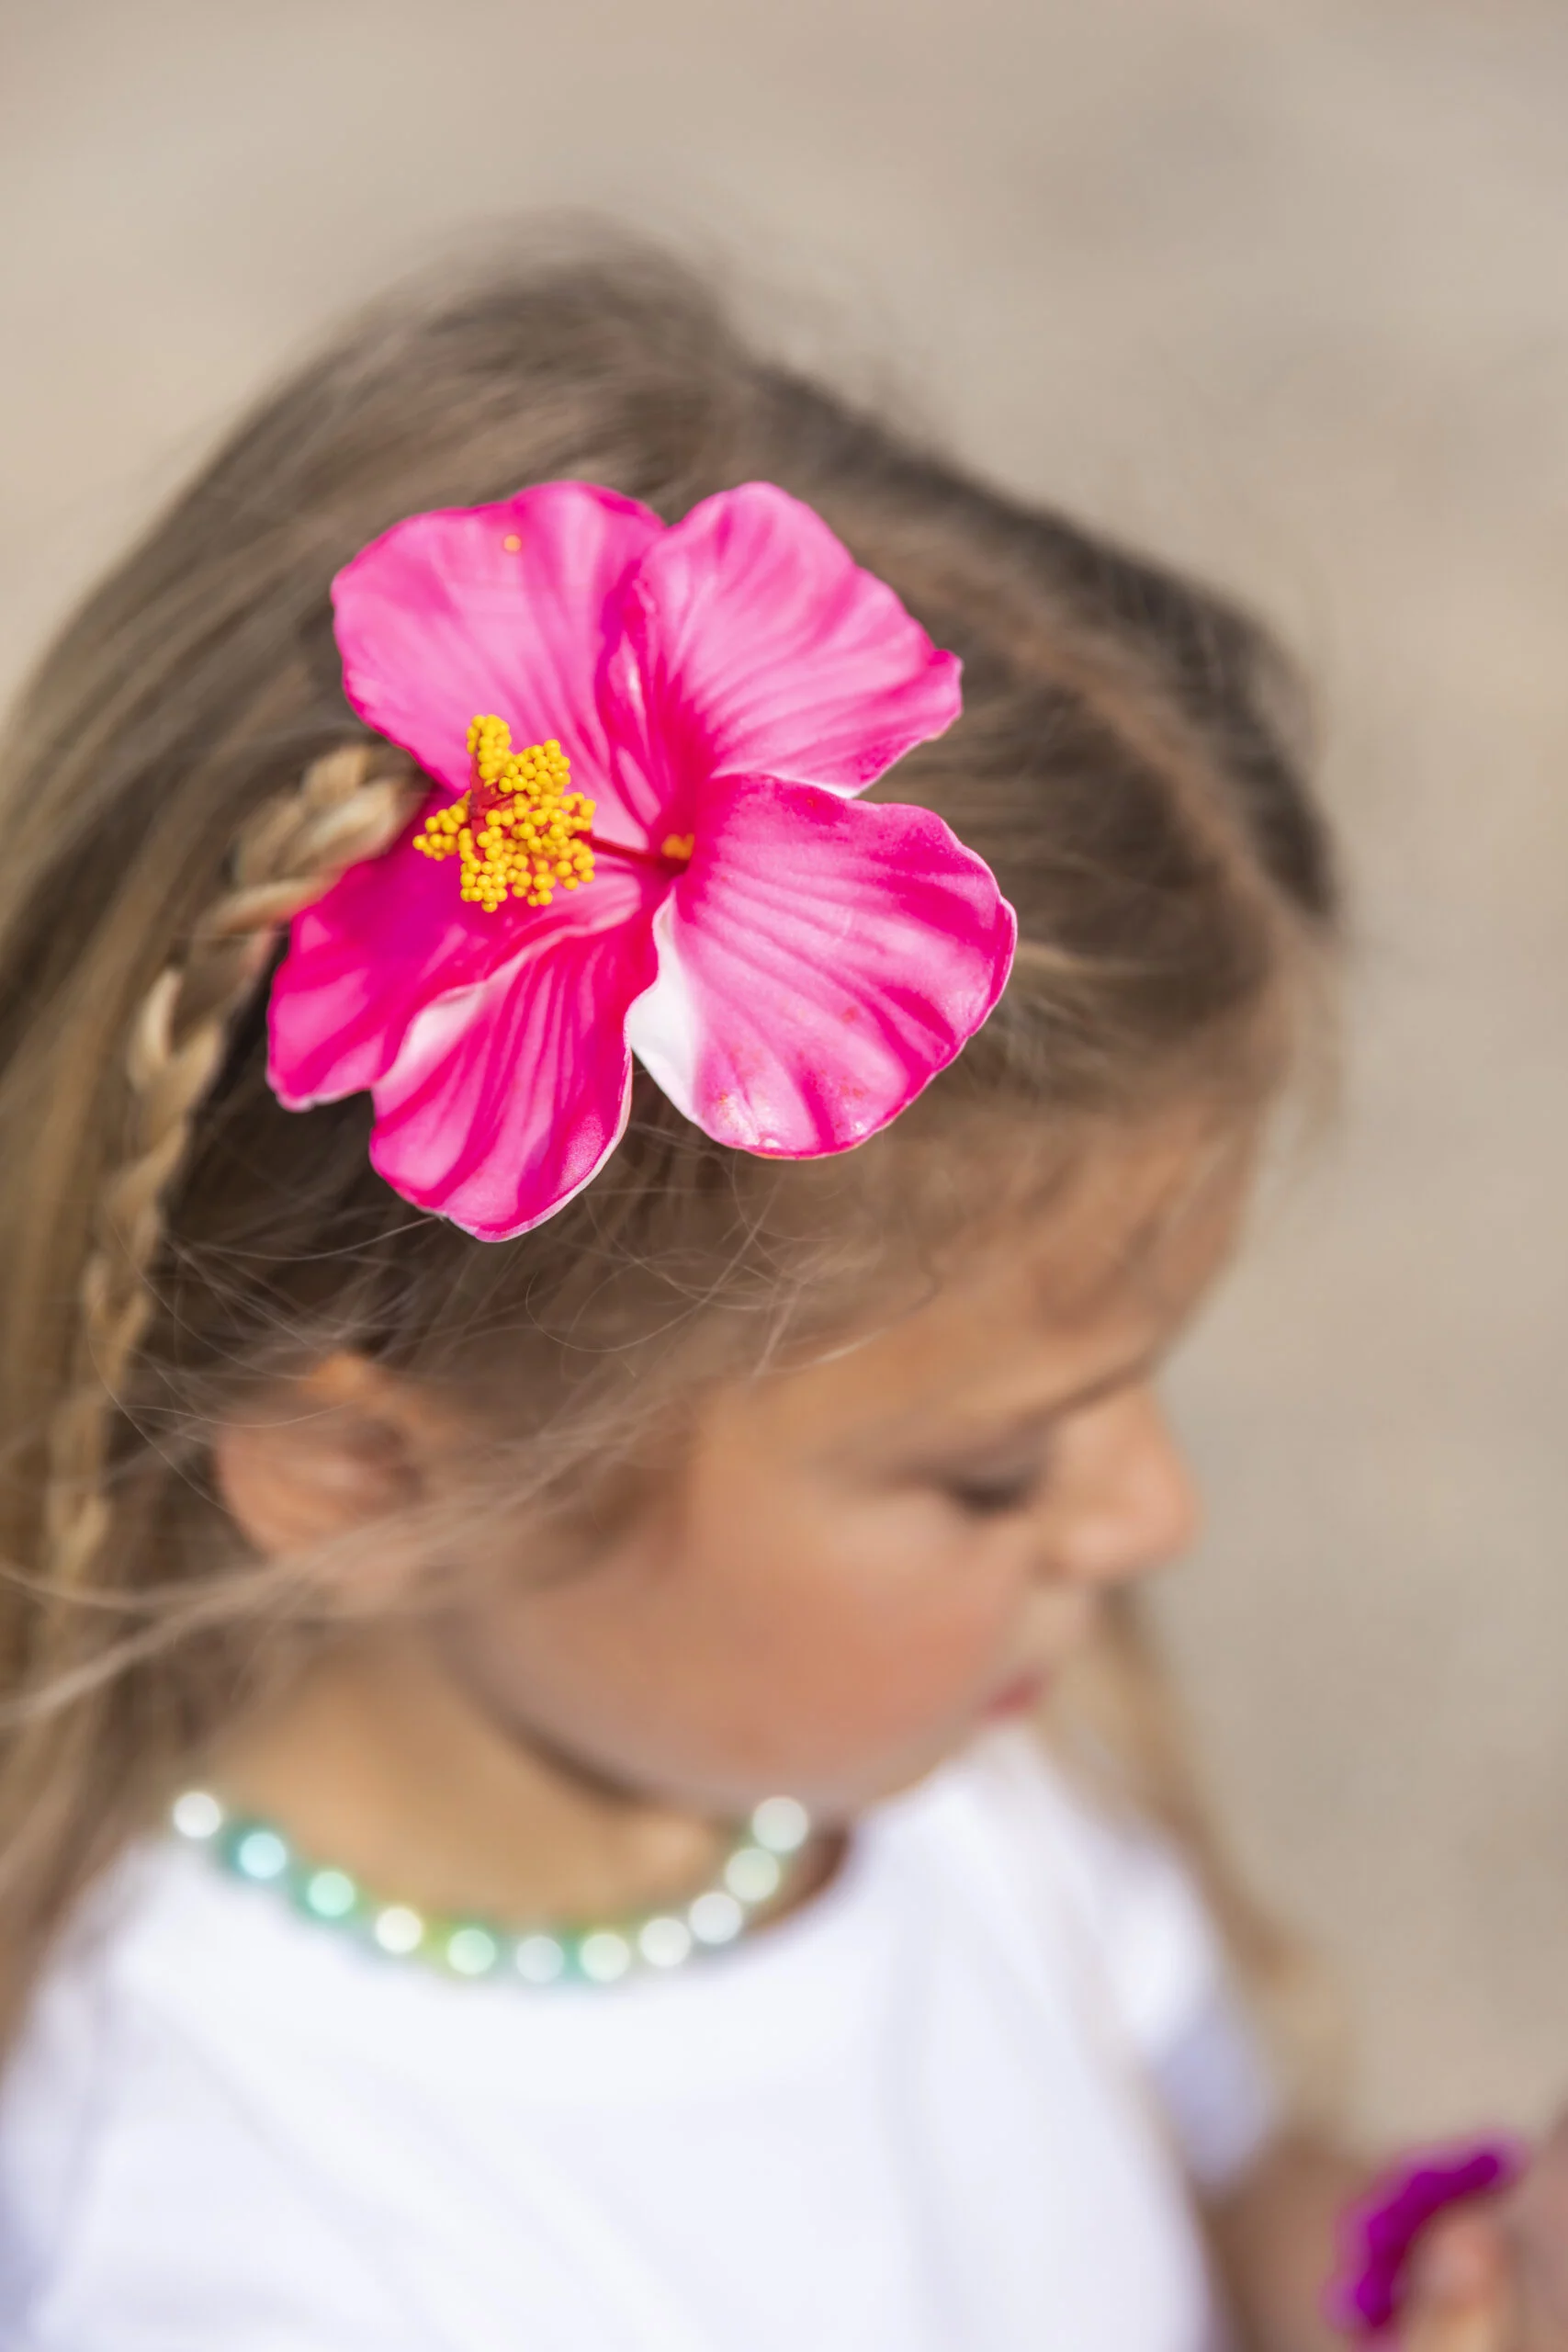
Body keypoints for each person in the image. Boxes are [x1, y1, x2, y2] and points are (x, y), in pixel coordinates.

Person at [0, 238, 1555, 2351]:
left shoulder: (946, 1757)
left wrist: (1438, 2268)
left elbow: (1207, 2201)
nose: (1146, 1519)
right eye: (995, 1468)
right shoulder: (229, 2245)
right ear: (373, 1478)